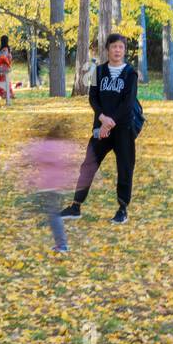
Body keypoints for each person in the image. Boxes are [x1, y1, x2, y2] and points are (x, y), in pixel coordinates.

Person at [59, 33, 139, 224]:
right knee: (88, 164)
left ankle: (122, 209)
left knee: (125, 167)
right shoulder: (98, 71)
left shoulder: (131, 73)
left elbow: (128, 103)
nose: (117, 50)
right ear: (107, 49)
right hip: (100, 126)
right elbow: (93, 98)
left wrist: (110, 123)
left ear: (124, 50)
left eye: (121, 47)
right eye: (114, 47)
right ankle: (76, 206)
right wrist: (102, 119)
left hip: (123, 128)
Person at [15, 122, 81, 253]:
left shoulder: (44, 147)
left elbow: (31, 157)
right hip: (59, 187)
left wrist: (28, 180)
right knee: (52, 213)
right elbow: (70, 163)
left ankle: (62, 245)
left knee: (53, 215)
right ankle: (59, 241)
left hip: (47, 187)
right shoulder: (63, 147)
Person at [0, 35, 13, 101]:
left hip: (3, 67)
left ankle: (4, 93)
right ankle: (6, 93)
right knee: (5, 80)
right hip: (5, 67)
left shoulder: (5, 49)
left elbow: (2, 56)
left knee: (2, 80)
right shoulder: (7, 48)